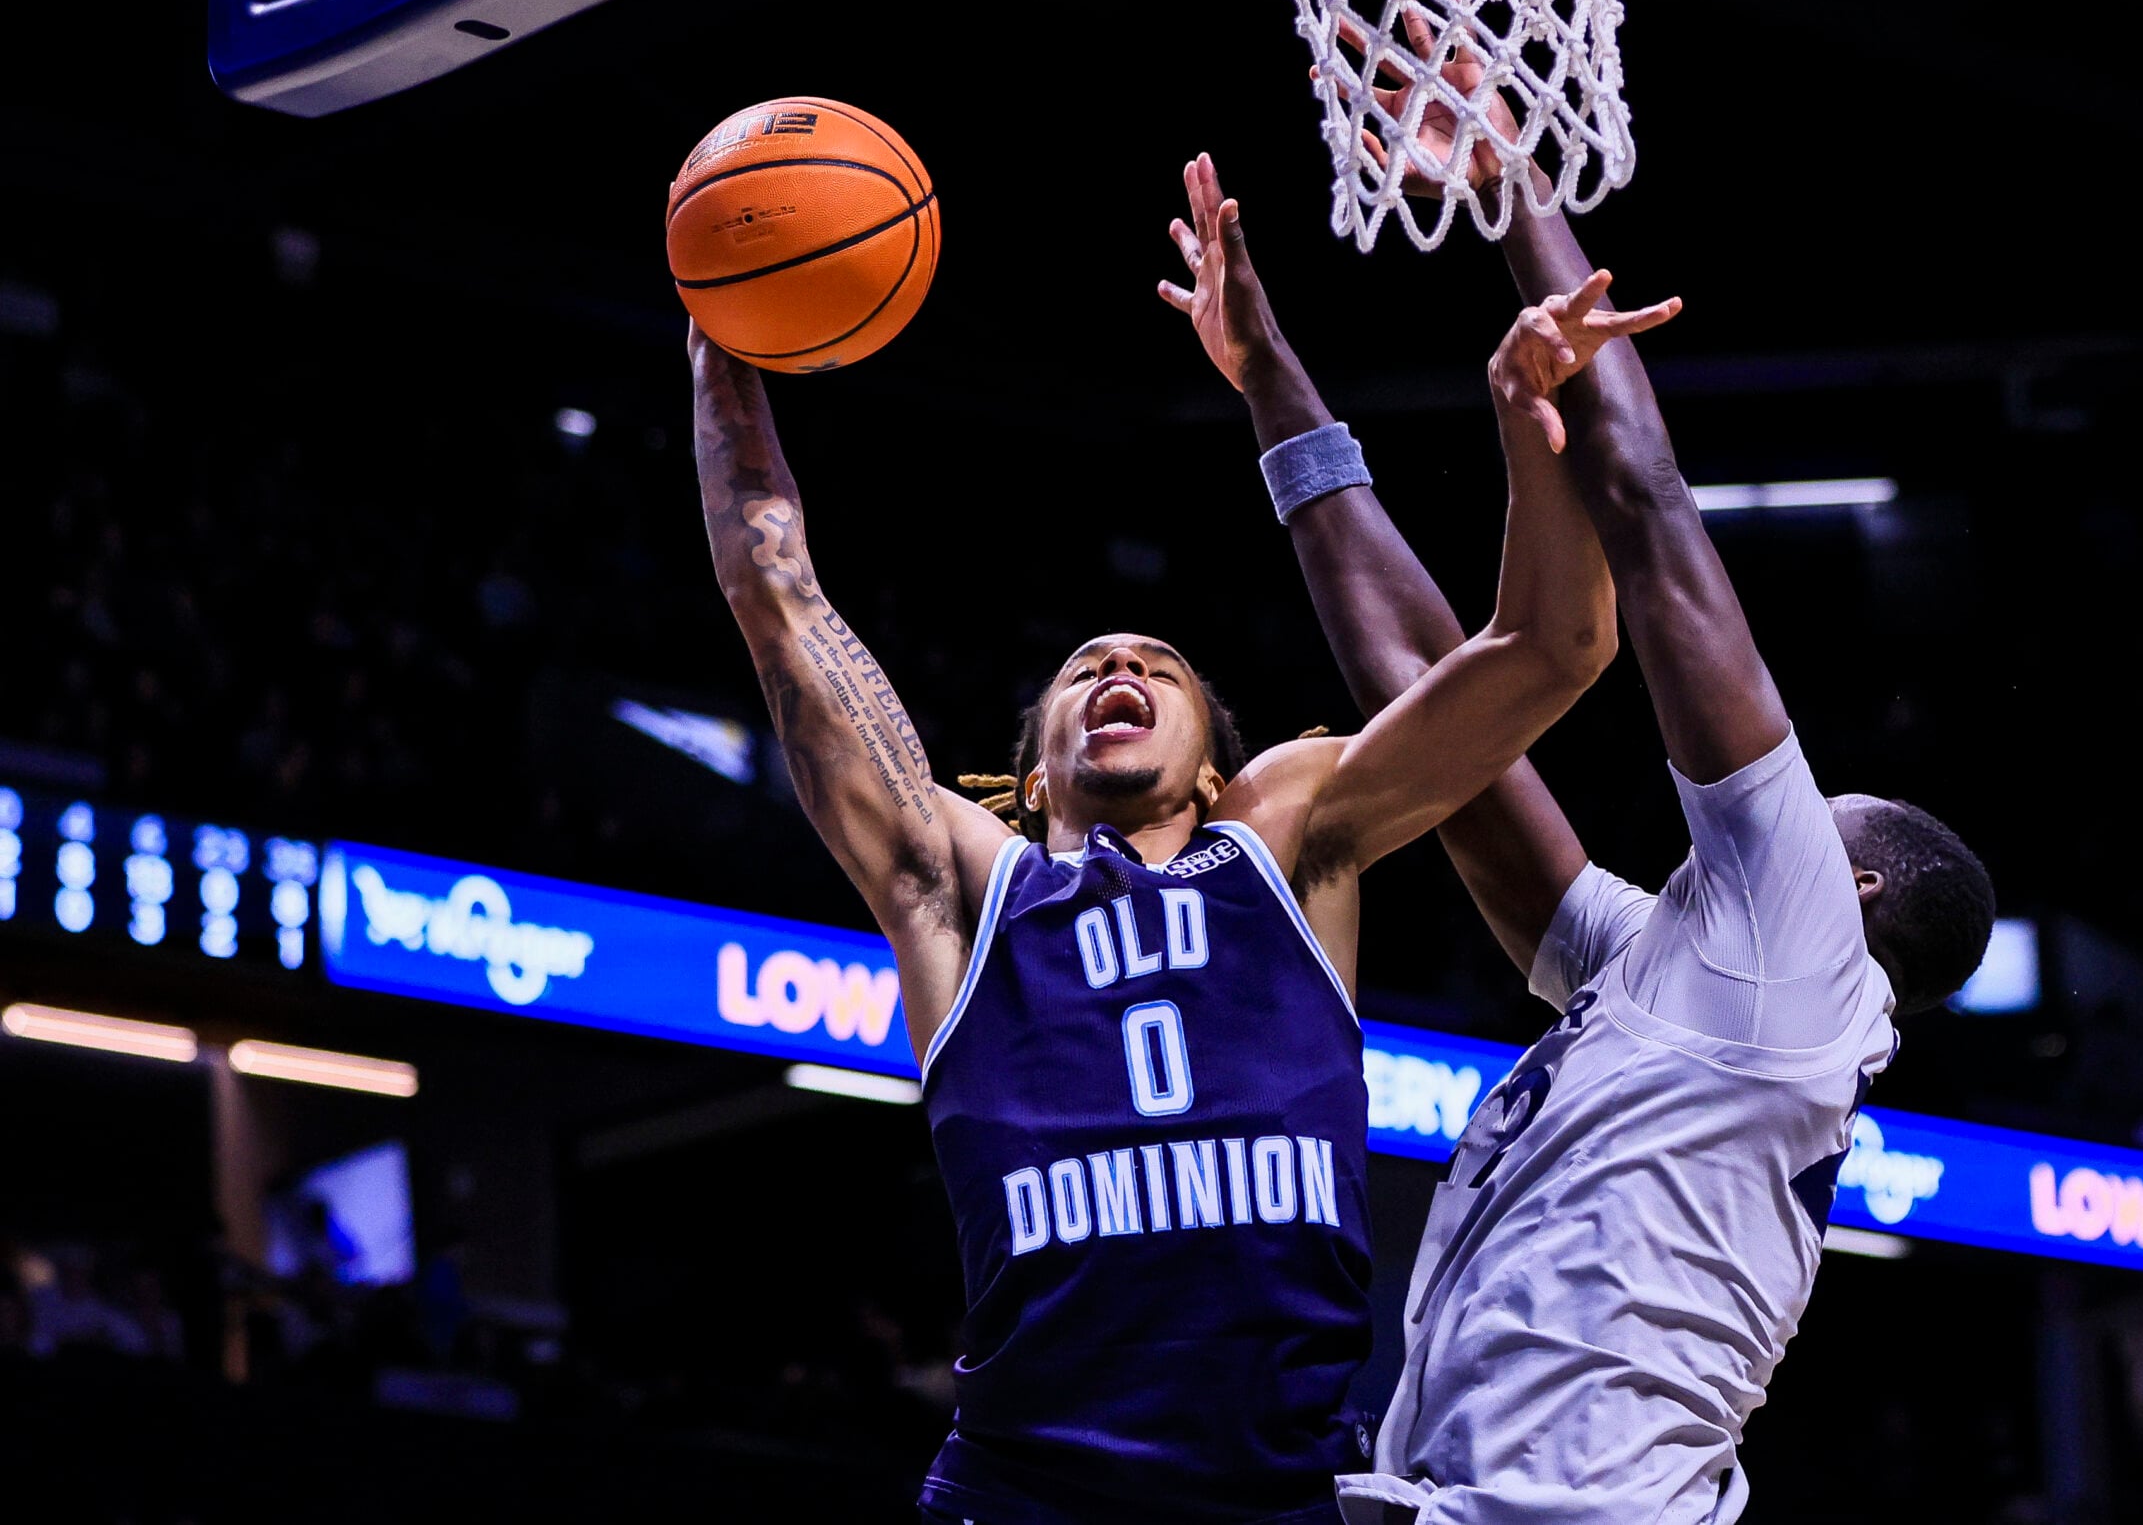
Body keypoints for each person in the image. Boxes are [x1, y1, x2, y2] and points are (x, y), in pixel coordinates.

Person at [688, 177, 1674, 1525]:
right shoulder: (968, 885)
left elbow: (1556, 647)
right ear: (1034, 775)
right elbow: (775, 591)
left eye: (1154, 661)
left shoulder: (1291, 842)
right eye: (1089, 665)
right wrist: (724, 348)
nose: (1120, 664)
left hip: (1275, 1494)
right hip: (1027, 1492)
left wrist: (1534, 437)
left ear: (1214, 764)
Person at [1168, 32, 1996, 1523]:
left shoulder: (1796, 952)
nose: (1797, 810)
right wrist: (1269, 385)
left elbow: (1656, 518)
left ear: (1851, 880)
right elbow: (1445, 726)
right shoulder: (1676, 982)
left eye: (1827, 816)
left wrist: (1510, 181)